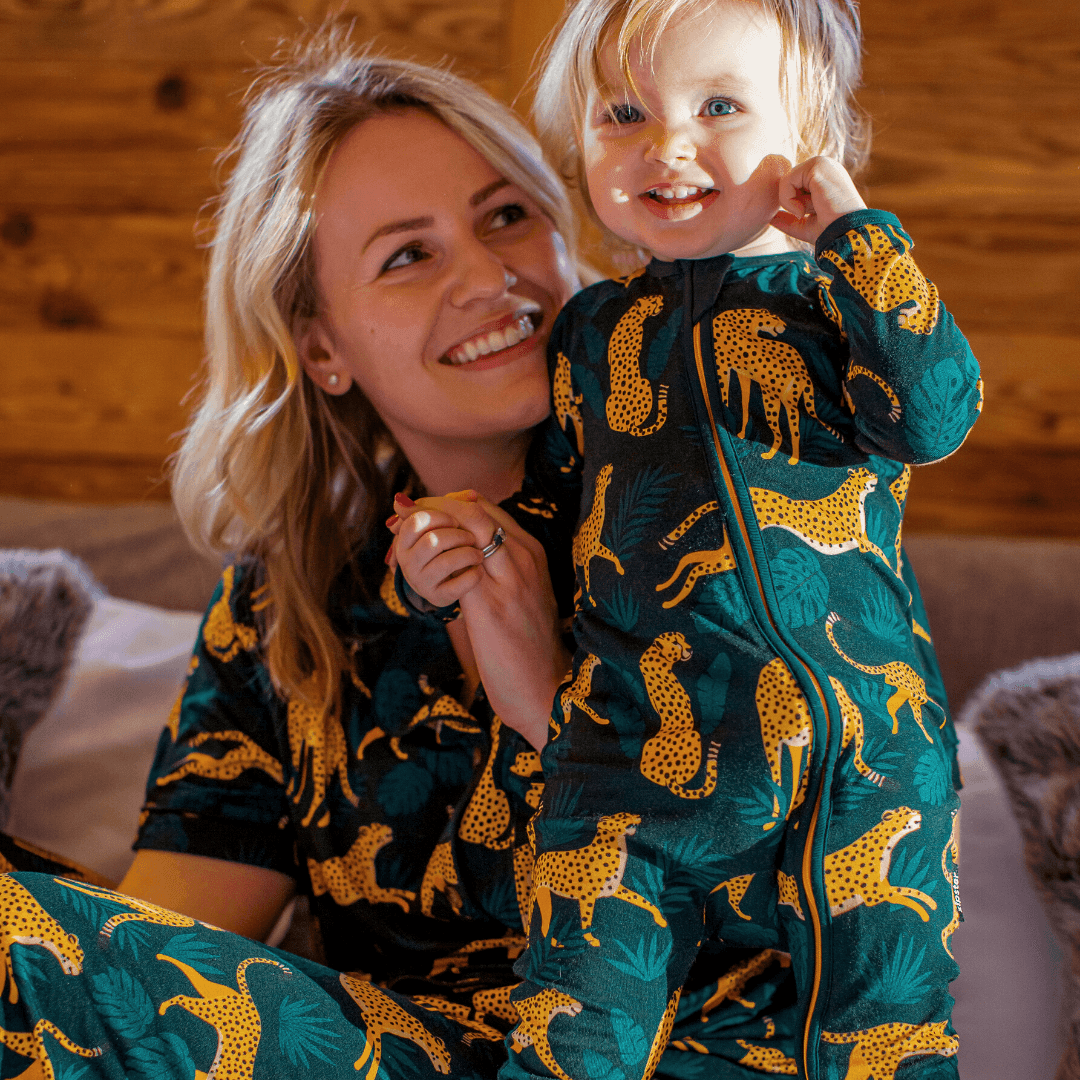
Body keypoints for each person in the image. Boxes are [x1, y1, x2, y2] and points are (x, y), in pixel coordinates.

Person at [397, 0, 981, 1076]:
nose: (666, 146)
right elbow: (558, 518)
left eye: (718, 108)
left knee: (883, 1045)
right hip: (632, 768)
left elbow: (934, 416)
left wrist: (860, 242)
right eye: (623, 115)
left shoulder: (835, 304)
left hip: (861, 760)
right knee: (571, 1039)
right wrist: (448, 565)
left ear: (808, 137)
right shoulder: (593, 333)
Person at [0, 37, 585, 1080]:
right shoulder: (290, 600)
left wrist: (553, 695)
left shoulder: (706, 515)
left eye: (506, 215)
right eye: (408, 256)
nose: (491, 277)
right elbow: (160, 958)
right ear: (321, 348)